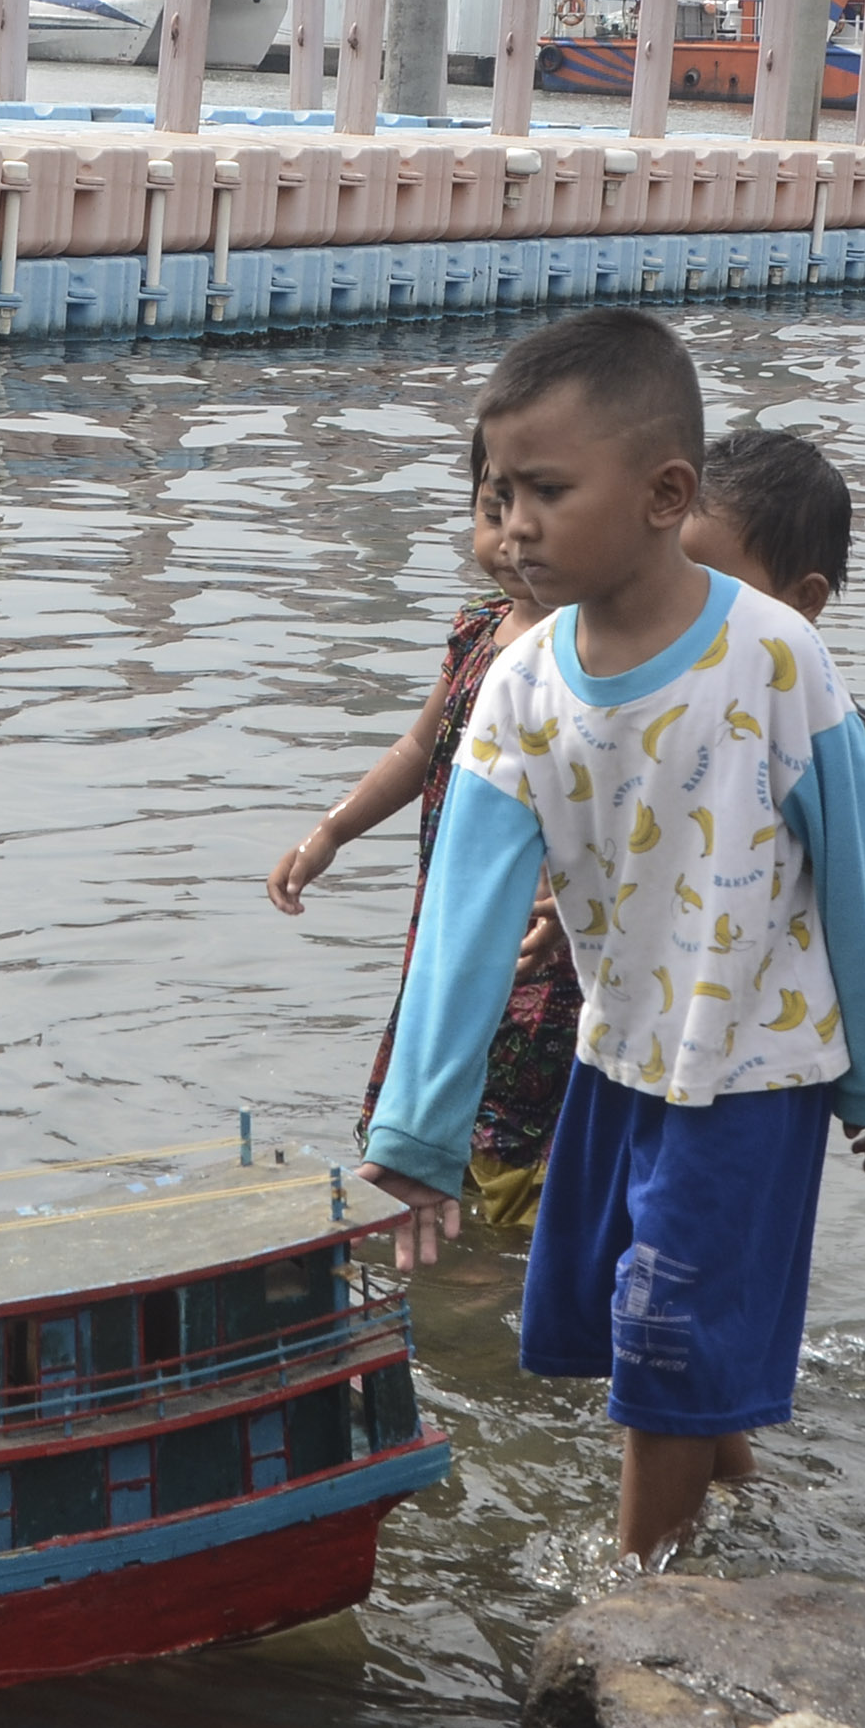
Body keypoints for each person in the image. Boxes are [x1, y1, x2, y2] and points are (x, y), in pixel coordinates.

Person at [357, 311, 865, 1565]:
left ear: (666, 493)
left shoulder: (777, 658)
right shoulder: (520, 683)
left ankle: (632, 1596)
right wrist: (417, 1139)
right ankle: (739, 1509)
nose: (511, 524)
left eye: (547, 491)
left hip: (756, 1072)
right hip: (615, 1064)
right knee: (634, 1325)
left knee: (660, 1332)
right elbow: (465, 922)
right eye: (495, 492)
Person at [267, 460, 580, 1229]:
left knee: (518, 1091)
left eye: (539, 509)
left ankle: (511, 1241)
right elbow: (418, 748)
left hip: (538, 926)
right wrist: (332, 829)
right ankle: (440, 1199)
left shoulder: (589, 650)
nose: (512, 538)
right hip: (449, 912)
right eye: (492, 511)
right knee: (436, 1045)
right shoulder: (477, 630)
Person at [682, 428, 865, 1176]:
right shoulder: (660, 711)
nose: (675, 601)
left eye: (706, 580)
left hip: (767, 1055)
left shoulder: (840, 742)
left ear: (802, 602)